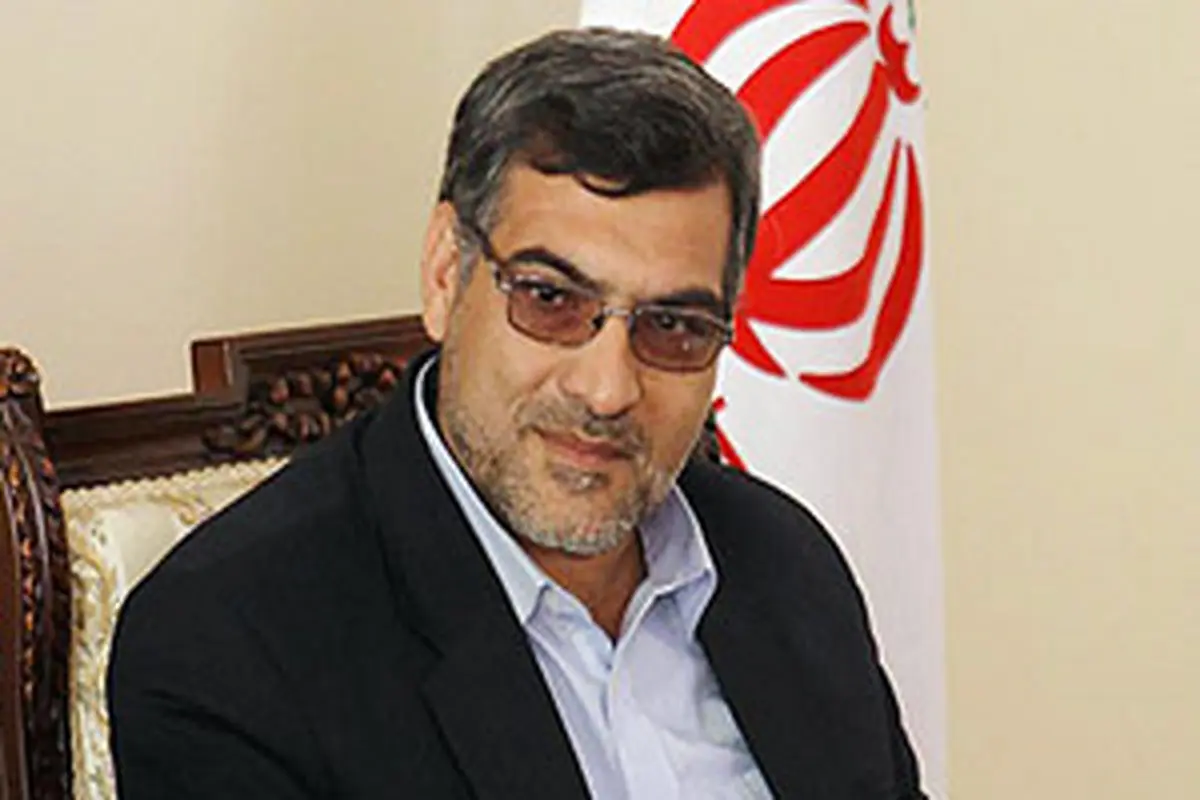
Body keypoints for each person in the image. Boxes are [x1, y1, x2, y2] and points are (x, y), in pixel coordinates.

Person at [109, 27, 925, 799]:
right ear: (445, 273)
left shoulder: (784, 567)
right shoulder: (229, 645)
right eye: (550, 299)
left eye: (673, 326)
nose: (606, 390)